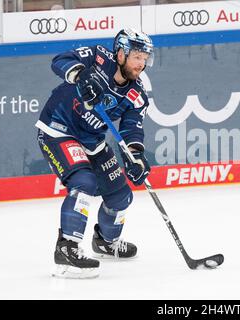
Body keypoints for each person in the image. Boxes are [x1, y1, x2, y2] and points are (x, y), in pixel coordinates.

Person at [35, 28, 154, 279]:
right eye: (136, 57)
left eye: (145, 58)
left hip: (92, 142)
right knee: (83, 182)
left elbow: (133, 130)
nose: (141, 64)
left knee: (121, 195)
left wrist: (136, 157)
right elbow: (60, 60)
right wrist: (80, 74)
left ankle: (105, 242)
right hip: (59, 129)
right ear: (120, 53)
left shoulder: (137, 95)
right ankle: (66, 249)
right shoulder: (99, 56)